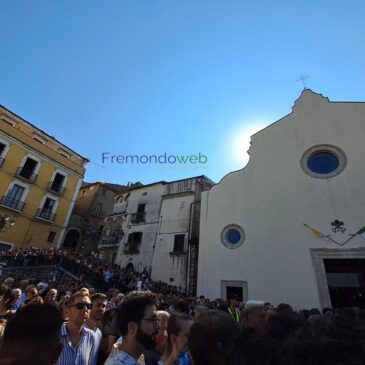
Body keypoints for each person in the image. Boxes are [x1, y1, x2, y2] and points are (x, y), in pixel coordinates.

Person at [105, 290, 160, 365]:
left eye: (157, 320)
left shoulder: (136, 356)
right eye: (152, 319)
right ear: (132, 327)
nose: (158, 325)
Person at [57, 291, 97, 365]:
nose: (85, 309)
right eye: (80, 306)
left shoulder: (91, 337)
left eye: (88, 306)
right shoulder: (54, 335)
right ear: (67, 312)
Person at [84, 293, 108, 364]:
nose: (101, 309)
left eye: (104, 306)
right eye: (98, 305)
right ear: (89, 306)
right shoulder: (78, 329)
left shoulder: (98, 333)